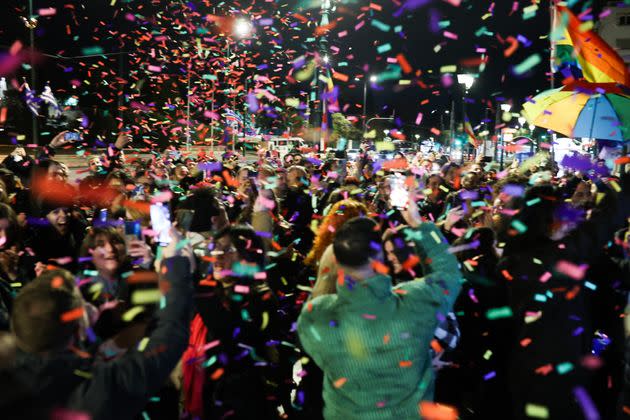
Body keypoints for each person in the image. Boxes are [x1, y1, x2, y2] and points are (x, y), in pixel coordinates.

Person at [297, 201, 462, 418]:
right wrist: (419, 225)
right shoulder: (416, 303)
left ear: (336, 260)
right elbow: (448, 274)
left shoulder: (315, 316)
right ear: (380, 258)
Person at [0, 241, 194, 420]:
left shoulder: (12, 378)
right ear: (78, 328)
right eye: (80, 303)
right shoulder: (97, 390)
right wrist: (173, 265)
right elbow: (169, 337)